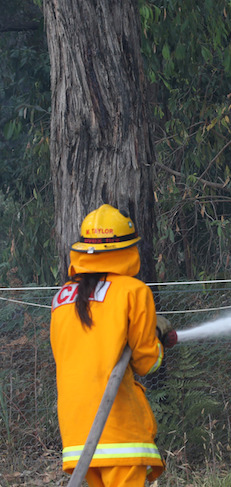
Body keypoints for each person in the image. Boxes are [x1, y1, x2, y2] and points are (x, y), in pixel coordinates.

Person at [50, 204, 173, 486]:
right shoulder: (133, 291)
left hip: (77, 430)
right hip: (118, 427)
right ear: (127, 250)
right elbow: (147, 362)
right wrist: (157, 340)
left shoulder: (62, 298)